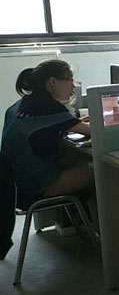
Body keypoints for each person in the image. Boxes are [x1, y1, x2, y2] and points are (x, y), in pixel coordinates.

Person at [1, 60, 93, 208]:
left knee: (79, 158)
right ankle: (95, 222)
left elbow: (44, 125)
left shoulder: (24, 103)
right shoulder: (50, 108)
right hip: (32, 189)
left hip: (13, 185)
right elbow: (93, 131)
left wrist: (75, 123)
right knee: (98, 170)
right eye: (69, 79)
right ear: (52, 82)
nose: (73, 85)